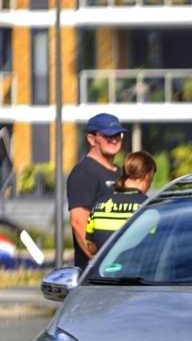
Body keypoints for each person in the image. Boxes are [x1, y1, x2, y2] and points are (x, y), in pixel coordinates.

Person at [67, 113, 127, 269]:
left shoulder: (121, 174)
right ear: (91, 139)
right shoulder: (84, 173)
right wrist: (98, 262)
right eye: (107, 135)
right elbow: (78, 221)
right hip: (99, 273)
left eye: (117, 134)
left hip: (123, 268)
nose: (114, 139)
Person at [85, 151, 157, 258]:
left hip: (103, 273)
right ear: (147, 177)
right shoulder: (149, 208)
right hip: (135, 272)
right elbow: (155, 246)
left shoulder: (99, 205)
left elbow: (91, 248)